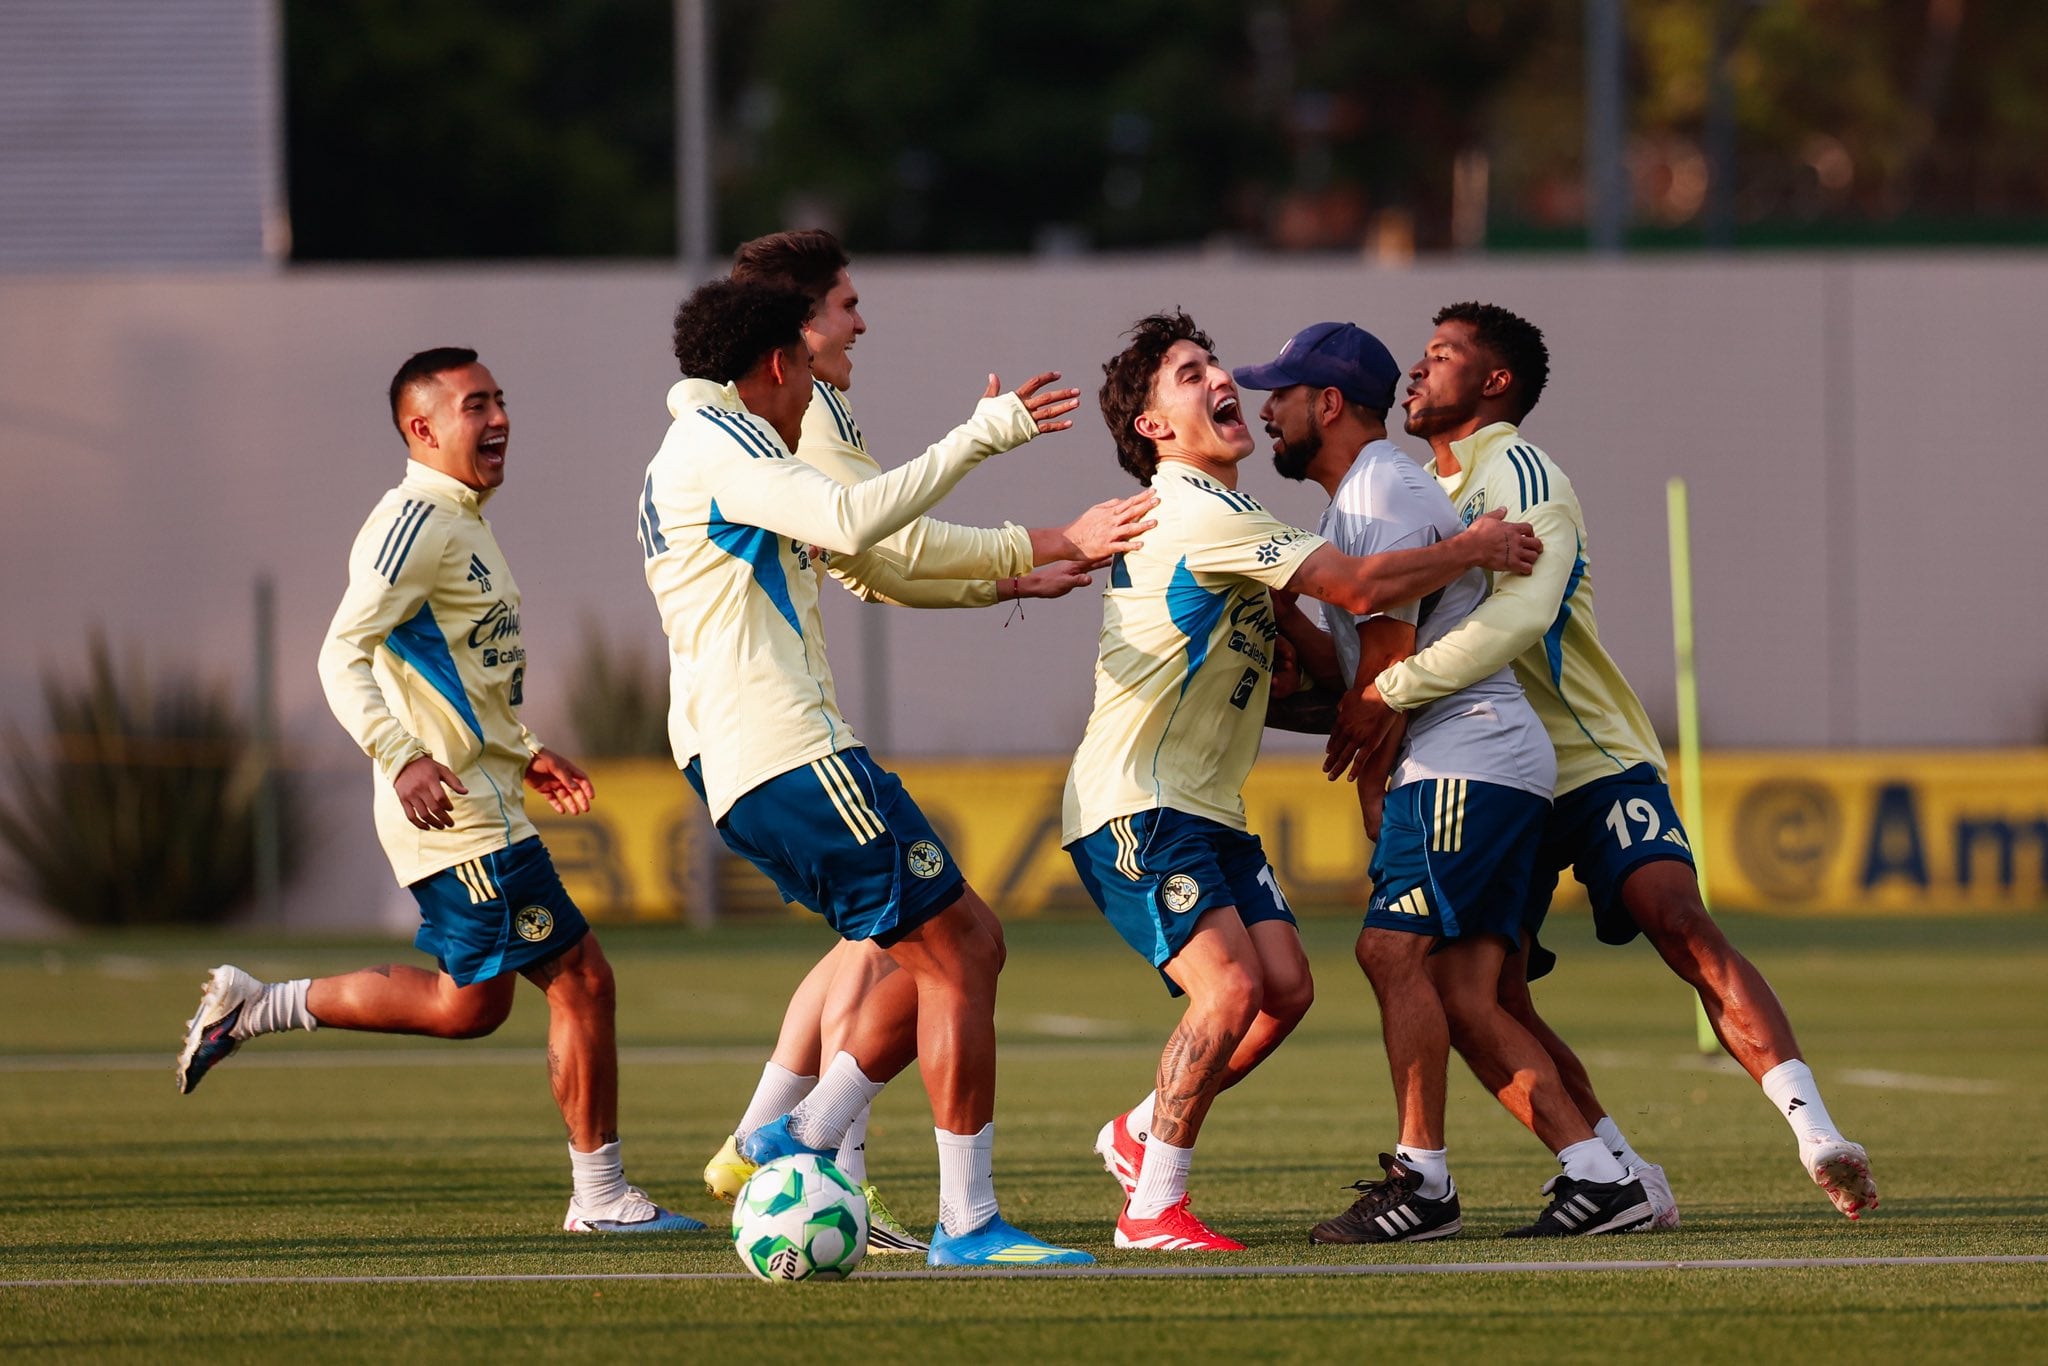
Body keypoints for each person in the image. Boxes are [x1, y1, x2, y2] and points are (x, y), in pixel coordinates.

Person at [1340, 302, 1878, 1220]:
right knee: (1479, 994)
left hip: (1588, 757)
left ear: (1495, 381)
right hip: (1492, 777)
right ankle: (1619, 1170)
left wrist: (1384, 696)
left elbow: (1520, 619)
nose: (1415, 374)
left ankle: (1815, 1130)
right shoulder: (1409, 492)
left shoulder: (1518, 468)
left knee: (1672, 914)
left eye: (1440, 356)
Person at [696, 229, 1155, 1255]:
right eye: (846, 301)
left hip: (750, 752)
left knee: (910, 946)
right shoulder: (763, 431)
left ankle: (801, 1139)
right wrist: (1043, 530)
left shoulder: (782, 420)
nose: (863, 318)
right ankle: (928, 1202)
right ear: (794, 333)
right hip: (779, 743)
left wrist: (1001, 579)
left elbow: (871, 569)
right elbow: (877, 535)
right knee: (949, 949)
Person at [175, 348, 698, 1234]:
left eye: (499, 399)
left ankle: (255, 1006)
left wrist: (527, 749)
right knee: (583, 981)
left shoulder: (464, 520)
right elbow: (341, 654)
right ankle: (601, 1198)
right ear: (421, 429)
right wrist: (402, 755)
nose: (496, 420)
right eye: (473, 406)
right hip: (459, 814)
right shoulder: (413, 521)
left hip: (485, 796)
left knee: (471, 1005)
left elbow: (462, 675)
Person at [1064, 311, 1543, 1250]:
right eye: (1191, 373)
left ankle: (1135, 1133)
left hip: (1205, 811)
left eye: (1216, 366)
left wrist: (1357, 694)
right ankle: (1153, 1205)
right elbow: (1362, 590)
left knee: (1284, 989)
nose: (1222, 383)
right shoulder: (1200, 509)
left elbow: (1316, 659)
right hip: (1139, 802)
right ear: (1155, 426)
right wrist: (1473, 548)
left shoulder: (1236, 522)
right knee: (1231, 991)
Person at [1236, 322, 1667, 1240]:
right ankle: (1601, 1175)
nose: (1265, 410)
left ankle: (1423, 1184)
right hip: (1483, 759)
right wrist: (1276, 605)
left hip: (1460, 754)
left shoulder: (1381, 488)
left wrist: (1367, 784)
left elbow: (1386, 662)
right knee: (1467, 991)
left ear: (1330, 404)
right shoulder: (1360, 496)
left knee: (1390, 954)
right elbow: (1344, 653)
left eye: (1281, 392)